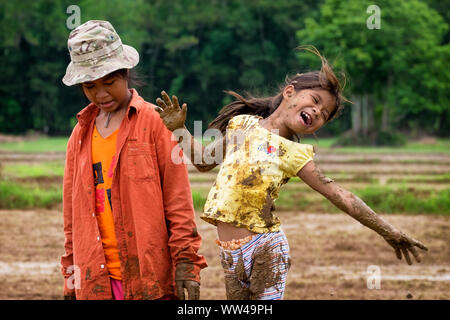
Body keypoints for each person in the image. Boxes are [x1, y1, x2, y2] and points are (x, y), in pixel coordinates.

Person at [155, 47, 428, 300]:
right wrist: (179, 129)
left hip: (265, 248)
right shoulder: (241, 125)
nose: (317, 111)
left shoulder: (292, 153)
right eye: (315, 100)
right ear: (289, 93)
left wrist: (389, 231)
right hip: (229, 253)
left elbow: (339, 195)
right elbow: (204, 161)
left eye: (323, 114)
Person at [60, 20, 207, 300]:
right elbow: (71, 213)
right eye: (90, 86)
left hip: (149, 275)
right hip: (96, 277)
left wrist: (187, 263)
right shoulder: (80, 133)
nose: (101, 94)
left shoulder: (154, 122)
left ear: (125, 73)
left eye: (109, 82)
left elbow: (177, 199)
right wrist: (70, 273)